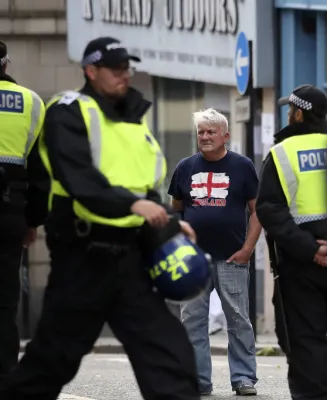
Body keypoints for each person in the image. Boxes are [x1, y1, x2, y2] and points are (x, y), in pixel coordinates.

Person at [0, 37, 201, 400]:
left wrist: (170, 225)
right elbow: (79, 178)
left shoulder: (134, 123)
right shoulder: (67, 111)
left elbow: (146, 190)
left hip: (130, 261)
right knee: (51, 362)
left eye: (128, 68)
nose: (124, 76)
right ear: (90, 71)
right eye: (115, 69)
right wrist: (131, 205)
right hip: (83, 258)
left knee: (171, 355)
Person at [256, 84, 327, 400]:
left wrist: (311, 249)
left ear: (299, 113)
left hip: (300, 267)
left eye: (290, 109)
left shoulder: (282, 153)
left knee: (306, 345)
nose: (288, 115)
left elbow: (269, 209)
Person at [169, 108, 261, 396]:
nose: (205, 136)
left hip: (233, 258)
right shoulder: (185, 167)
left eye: (211, 131)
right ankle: (199, 381)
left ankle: (244, 378)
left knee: (239, 321)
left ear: (226, 136)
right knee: (192, 323)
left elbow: (258, 211)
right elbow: (177, 210)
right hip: (194, 261)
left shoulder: (242, 166)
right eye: (201, 132)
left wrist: (248, 249)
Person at [0, 40, 48, 386]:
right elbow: (39, 171)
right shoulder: (30, 102)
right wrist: (33, 221)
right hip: (9, 212)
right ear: (6, 64)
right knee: (4, 303)